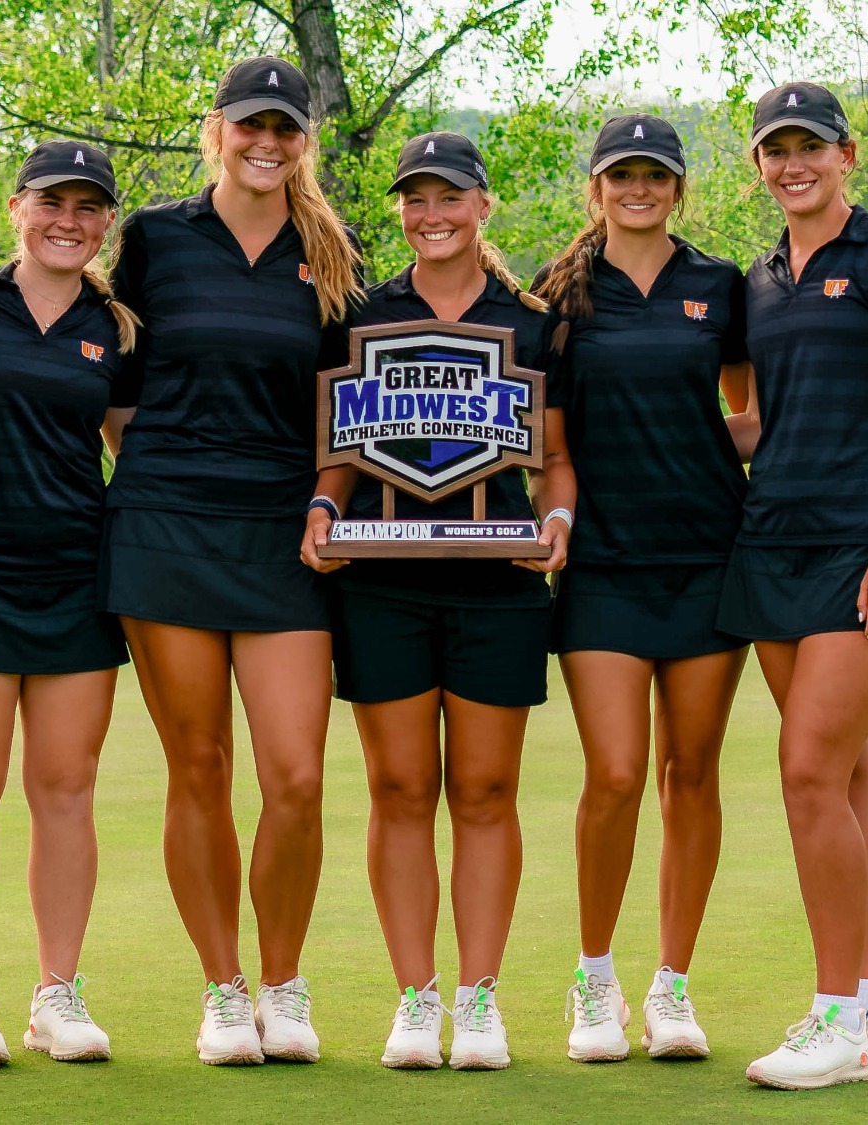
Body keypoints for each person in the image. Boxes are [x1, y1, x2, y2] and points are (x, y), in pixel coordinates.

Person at [101, 56, 363, 1066]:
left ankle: (285, 988)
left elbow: (349, 407)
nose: (265, 143)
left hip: (284, 535)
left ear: (303, 140)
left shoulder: (328, 248)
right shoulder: (156, 238)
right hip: (165, 526)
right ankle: (223, 991)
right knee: (198, 767)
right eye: (248, 125)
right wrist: (169, 478)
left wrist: (322, 498)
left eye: (283, 129)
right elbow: (117, 388)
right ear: (216, 129)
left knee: (295, 776)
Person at [301, 132, 575, 1072]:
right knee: (400, 788)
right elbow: (339, 444)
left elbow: (556, 454)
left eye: (450, 197)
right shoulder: (362, 313)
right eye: (415, 200)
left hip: (501, 584)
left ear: (483, 206)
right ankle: (416, 997)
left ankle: (479, 998)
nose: (433, 215)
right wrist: (325, 504)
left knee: (488, 791)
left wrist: (561, 517)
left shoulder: (534, 321)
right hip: (382, 582)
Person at [720, 82, 868, 1090]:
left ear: (845, 153)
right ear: (758, 165)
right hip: (773, 544)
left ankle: (832, 1020)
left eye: (808, 146)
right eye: (774, 150)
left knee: (808, 771)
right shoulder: (758, 280)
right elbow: (757, 422)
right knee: (845, 773)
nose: (791, 164)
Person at [532, 113, 755, 1065]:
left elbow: (750, 409)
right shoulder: (559, 296)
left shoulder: (719, 287)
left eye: (655, 176)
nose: (639, 189)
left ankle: (672, 987)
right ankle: (594, 979)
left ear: (677, 188)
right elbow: (549, 444)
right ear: (596, 188)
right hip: (603, 567)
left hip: (708, 557)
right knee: (617, 772)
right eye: (621, 175)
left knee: (691, 772)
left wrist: (709, 450)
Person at [0, 140, 137, 1069]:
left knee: (66, 788)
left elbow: (131, 448)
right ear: (17, 207)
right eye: (54, 201)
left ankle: (56, 992)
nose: (69, 221)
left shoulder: (116, 325)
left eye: (90, 208)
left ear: (105, 226)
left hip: (76, 579)